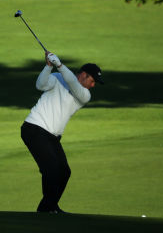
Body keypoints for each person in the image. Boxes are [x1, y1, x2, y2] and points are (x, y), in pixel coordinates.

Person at [20, 52, 104, 214]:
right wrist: (48, 66)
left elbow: (72, 82)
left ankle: (51, 206)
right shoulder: (58, 77)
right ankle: (46, 209)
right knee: (51, 169)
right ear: (84, 75)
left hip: (51, 137)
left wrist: (59, 65)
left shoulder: (85, 95)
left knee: (64, 172)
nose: (93, 85)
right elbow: (40, 85)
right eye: (93, 81)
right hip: (34, 128)